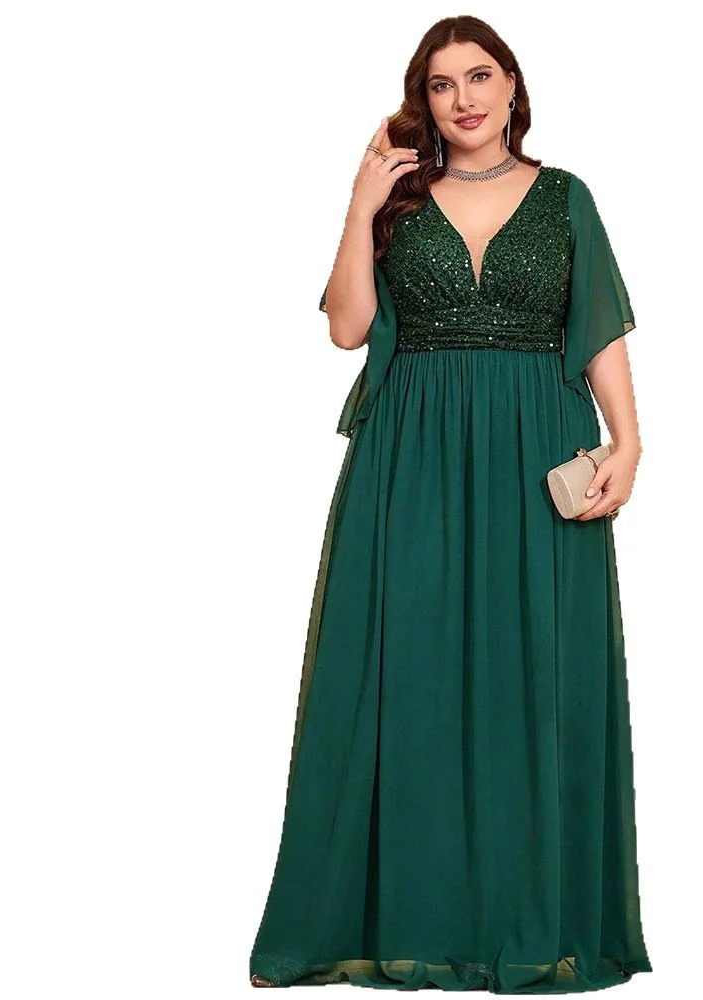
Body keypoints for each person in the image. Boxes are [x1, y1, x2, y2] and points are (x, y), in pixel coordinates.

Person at [249, 15, 651, 993]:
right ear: (422, 102)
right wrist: (359, 204)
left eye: (479, 76)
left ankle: (529, 922)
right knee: (407, 677)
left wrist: (629, 441)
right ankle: (406, 918)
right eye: (441, 84)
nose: (463, 98)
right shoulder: (397, 201)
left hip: (537, 450)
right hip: (412, 457)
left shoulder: (566, 197)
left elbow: (597, 326)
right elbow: (348, 329)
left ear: (512, 86)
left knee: (535, 680)